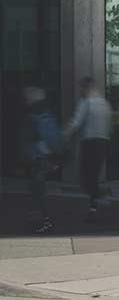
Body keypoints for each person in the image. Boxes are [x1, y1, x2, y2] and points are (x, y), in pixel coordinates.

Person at [64, 77, 113, 222]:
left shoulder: (85, 102)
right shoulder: (105, 104)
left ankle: (99, 200)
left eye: (81, 88)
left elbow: (76, 122)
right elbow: (109, 126)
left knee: (86, 177)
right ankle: (95, 206)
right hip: (103, 143)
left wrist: (64, 135)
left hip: (90, 143)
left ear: (86, 88)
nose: (80, 91)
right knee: (93, 175)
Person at [21, 87, 61, 234]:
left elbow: (29, 141)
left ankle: (44, 221)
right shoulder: (47, 114)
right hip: (43, 158)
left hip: (37, 159)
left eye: (27, 98)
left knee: (37, 191)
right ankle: (42, 220)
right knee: (37, 190)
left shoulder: (32, 116)